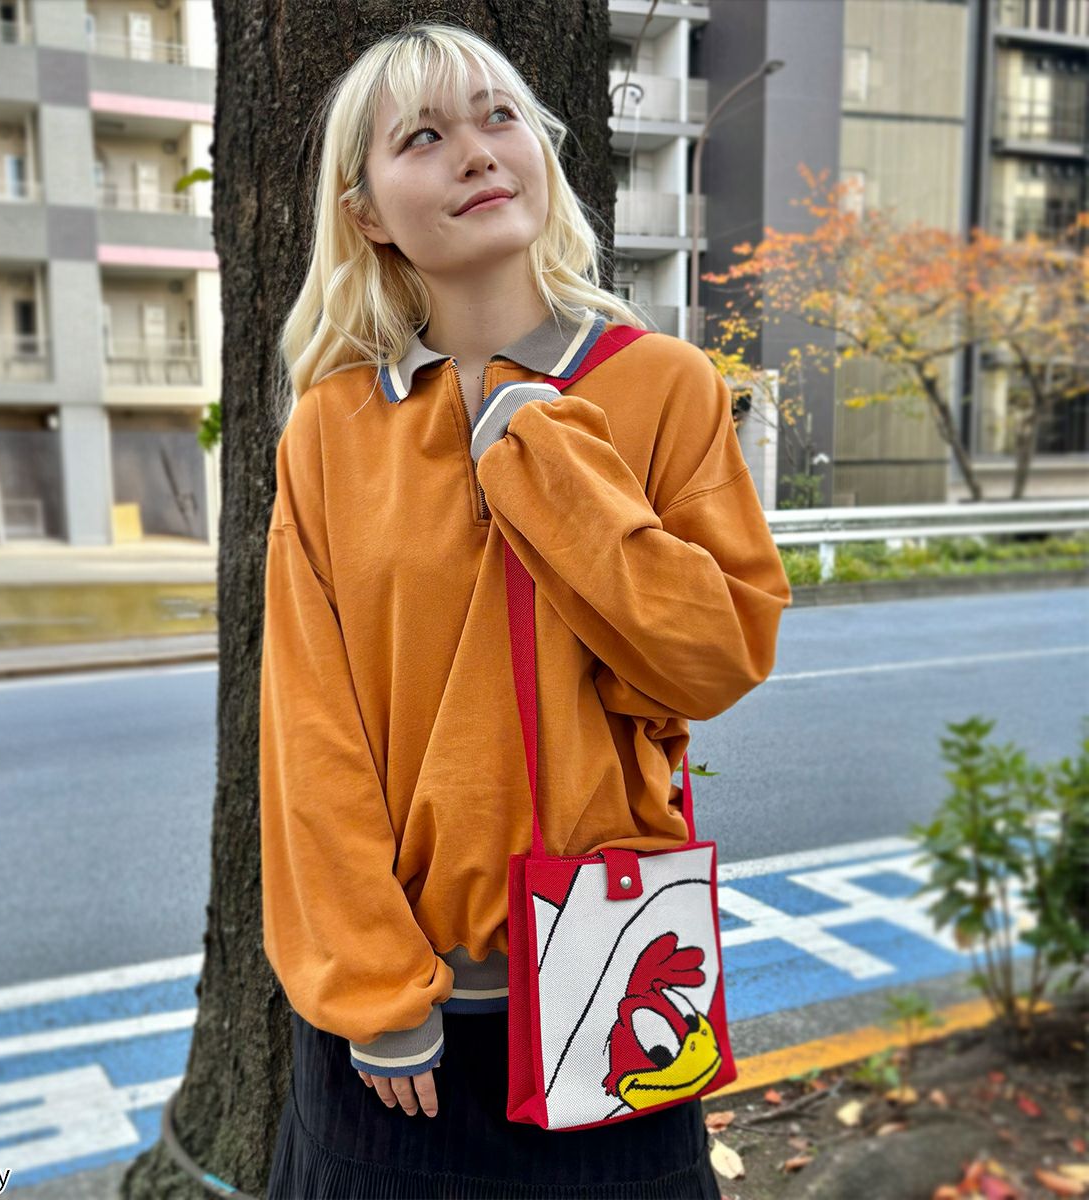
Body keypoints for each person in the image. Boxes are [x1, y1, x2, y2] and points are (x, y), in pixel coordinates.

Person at [260, 19, 791, 1199]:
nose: (476, 151)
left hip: (618, 986)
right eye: (423, 137)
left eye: (499, 117)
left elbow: (712, 660)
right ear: (367, 213)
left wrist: (552, 467)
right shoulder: (333, 429)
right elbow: (310, 732)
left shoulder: (663, 385)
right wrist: (373, 988)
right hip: (405, 1041)